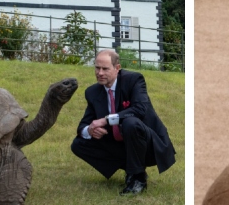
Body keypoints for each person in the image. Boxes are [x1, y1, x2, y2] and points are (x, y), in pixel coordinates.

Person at [70, 50, 176, 195]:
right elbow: (83, 125)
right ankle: (131, 170)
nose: (100, 73)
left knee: (130, 123)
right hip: (122, 145)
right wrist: (90, 130)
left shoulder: (134, 80)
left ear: (117, 68)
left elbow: (139, 109)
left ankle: (138, 177)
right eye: (97, 68)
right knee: (78, 144)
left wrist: (106, 119)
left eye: (105, 69)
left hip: (149, 145)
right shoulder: (92, 92)